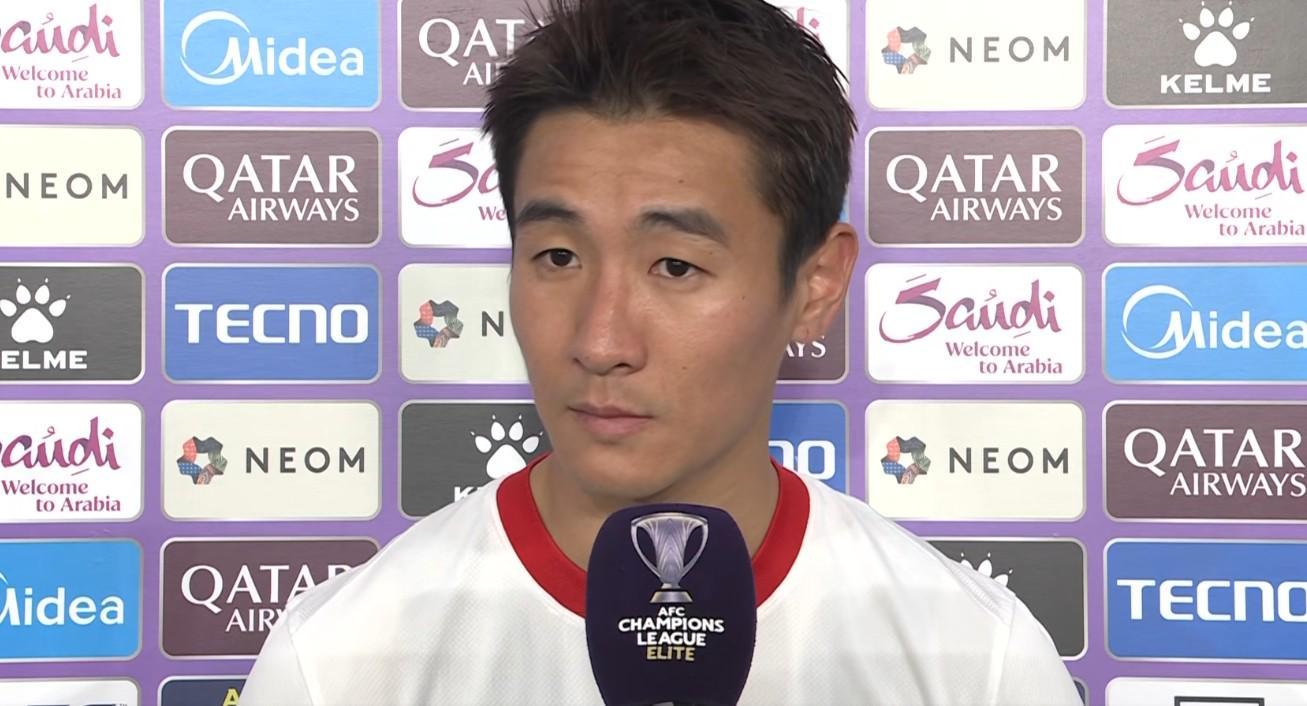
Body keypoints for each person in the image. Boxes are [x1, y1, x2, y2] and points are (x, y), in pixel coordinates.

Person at [240, 0, 1082, 703]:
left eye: (675, 266)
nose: (599, 341)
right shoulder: (338, 661)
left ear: (816, 285)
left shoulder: (977, 663)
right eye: (557, 257)